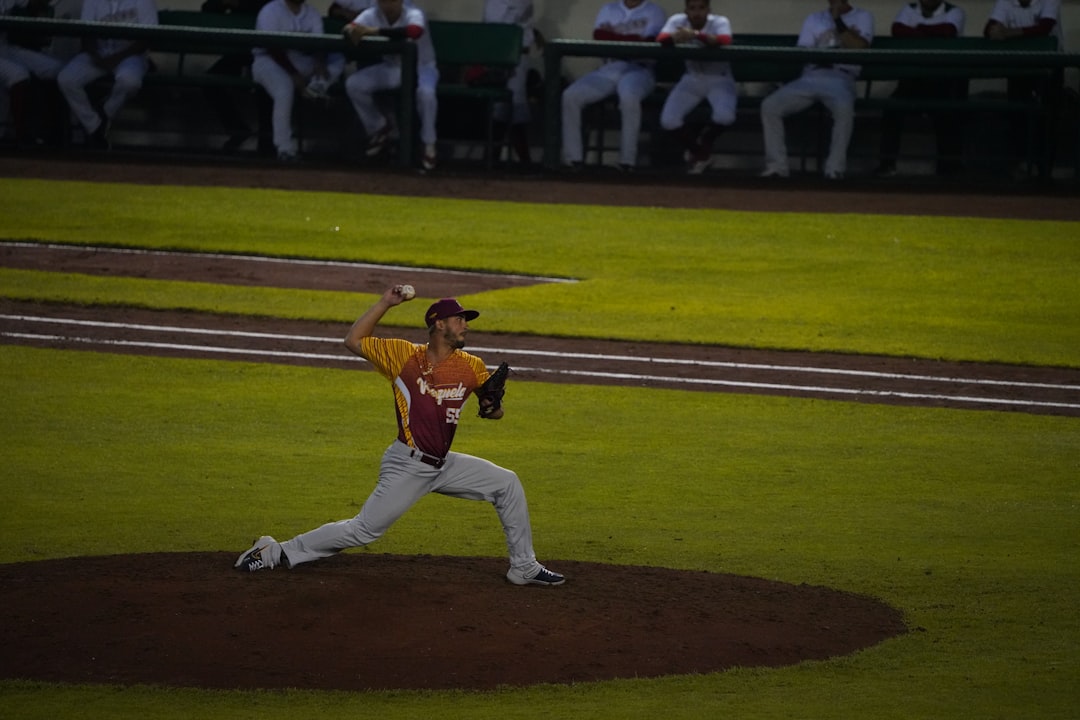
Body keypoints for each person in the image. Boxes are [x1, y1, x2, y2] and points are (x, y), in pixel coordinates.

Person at [235, 287, 566, 588]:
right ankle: (275, 550)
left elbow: (494, 411)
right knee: (364, 529)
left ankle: (524, 566)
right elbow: (353, 341)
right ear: (439, 325)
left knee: (506, 483)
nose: (466, 325)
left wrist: (492, 406)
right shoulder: (402, 355)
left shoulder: (472, 366)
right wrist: (386, 303)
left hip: (443, 464)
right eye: (459, 319)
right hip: (407, 463)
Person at [759, 0, 874, 180]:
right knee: (770, 106)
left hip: (841, 77)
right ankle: (777, 167)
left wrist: (837, 20)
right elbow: (803, 52)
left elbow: (860, 47)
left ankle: (834, 170)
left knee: (844, 110)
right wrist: (821, 57)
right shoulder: (814, 18)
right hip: (811, 76)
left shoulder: (863, 16)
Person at [560, 0, 667, 171]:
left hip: (640, 70)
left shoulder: (654, 11)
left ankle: (627, 161)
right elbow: (599, 36)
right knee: (570, 96)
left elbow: (648, 43)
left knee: (629, 96)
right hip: (609, 69)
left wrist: (614, 38)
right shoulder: (608, 9)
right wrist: (631, 40)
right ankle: (574, 159)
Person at [343, 0, 438, 171]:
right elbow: (350, 27)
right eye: (384, 1)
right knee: (354, 84)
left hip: (423, 67)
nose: (389, 5)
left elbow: (414, 32)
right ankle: (379, 127)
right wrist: (352, 31)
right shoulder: (373, 14)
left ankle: (428, 143)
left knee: (426, 94)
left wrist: (372, 31)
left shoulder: (414, 13)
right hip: (393, 68)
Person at [55, 0, 158, 149]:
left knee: (130, 82)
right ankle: (95, 126)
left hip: (130, 55)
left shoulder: (144, 2)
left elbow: (145, 39)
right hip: (100, 53)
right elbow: (86, 33)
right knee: (66, 79)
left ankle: (105, 111)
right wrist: (96, 56)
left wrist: (116, 58)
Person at [251, 0, 345, 162]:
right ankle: (284, 148)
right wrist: (294, 75)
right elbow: (272, 48)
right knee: (284, 90)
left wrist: (319, 61)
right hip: (267, 61)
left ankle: (317, 87)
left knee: (338, 58)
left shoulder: (311, 13)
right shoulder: (271, 10)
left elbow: (319, 43)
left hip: (298, 59)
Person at [983, 0, 1063, 179]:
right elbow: (989, 28)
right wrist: (994, 31)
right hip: (1020, 66)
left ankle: (1045, 169)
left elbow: (1045, 28)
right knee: (1017, 116)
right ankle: (1020, 165)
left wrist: (1009, 33)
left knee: (1048, 117)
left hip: (1050, 66)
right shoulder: (1005, 1)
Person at [656, 0, 736, 175]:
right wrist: (673, 38)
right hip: (692, 78)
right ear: (686, 10)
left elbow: (724, 40)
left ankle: (703, 142)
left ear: (708, 9)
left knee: (725, 117)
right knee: (668, 120)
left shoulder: (719, 21)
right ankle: (701, 153)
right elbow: (661, 39)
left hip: (719, 78)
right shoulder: (678, 20)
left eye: (701, 8)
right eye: (692, 8)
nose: (697, 12)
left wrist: (695, 35)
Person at [200, 0, 272, 154]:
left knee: (267, 85)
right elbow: (207, 7)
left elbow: (270, 7)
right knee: (210, 82)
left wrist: (238, 4)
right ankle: (237, 128)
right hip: (240, 49)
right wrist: (224, 4)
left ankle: (267, 139)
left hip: (268, 52)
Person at [482, 0, 538, 168]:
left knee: (514, 105)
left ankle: (521, 160)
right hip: (493, 53)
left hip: (516, 56)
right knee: (500, 108)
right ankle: (494, 158)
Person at [1, 0, 63, 146]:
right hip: (5, 50)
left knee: (58, 69)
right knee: (18, 75)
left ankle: (53, 134)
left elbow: (33, 3)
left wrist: (40, 8)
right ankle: (22, 137)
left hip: (6, 48)